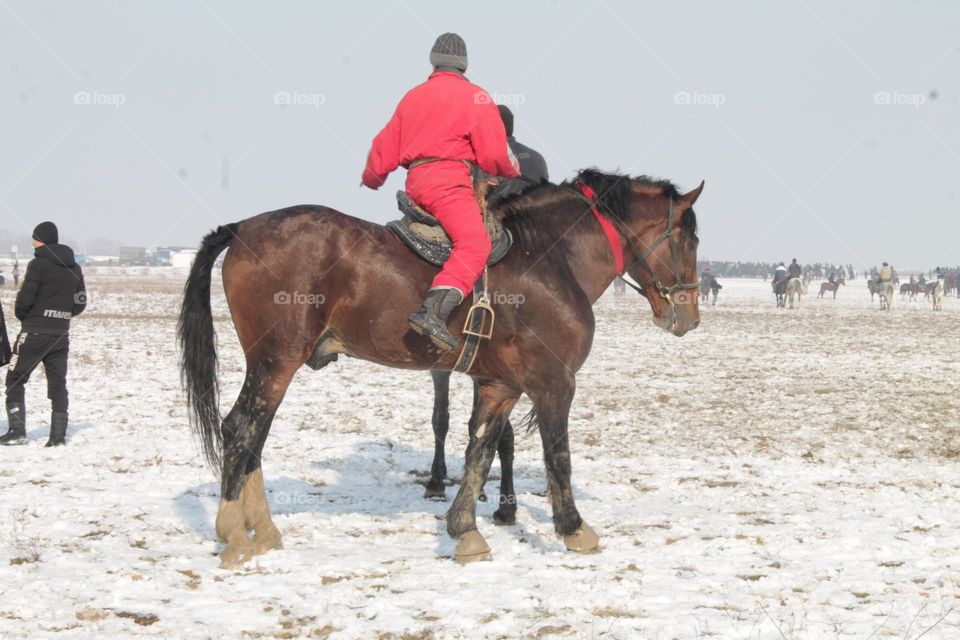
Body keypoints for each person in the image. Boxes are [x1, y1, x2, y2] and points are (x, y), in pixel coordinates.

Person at [361, 33, 519, 351]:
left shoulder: (412, 96)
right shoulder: (476, 97)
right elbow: (493, 154)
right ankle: (432, 312)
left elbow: (384, 146)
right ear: (464, 65)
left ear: (433, 62)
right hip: (448, 184)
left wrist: (371, 177)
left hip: (417, 182)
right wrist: (511, 169)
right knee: (475, 244)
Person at [2, 222, 86, 446]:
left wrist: (26, 317)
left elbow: (25, 299)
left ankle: (17, 431)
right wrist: (61, 316)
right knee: (58, 383)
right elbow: (80, 302)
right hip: (60, 334)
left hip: (34, 332)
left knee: (14, 379)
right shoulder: (75, 268)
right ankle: (57, 437)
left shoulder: (37, 265)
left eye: (34, 238)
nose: (32, 242)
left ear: (42, 240)